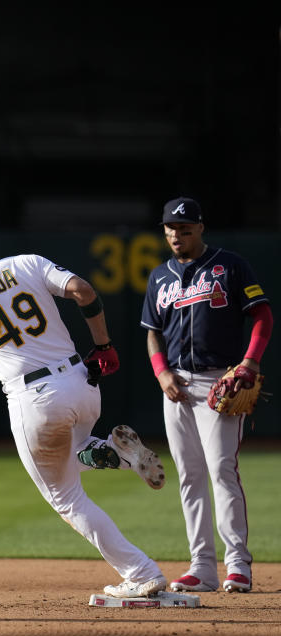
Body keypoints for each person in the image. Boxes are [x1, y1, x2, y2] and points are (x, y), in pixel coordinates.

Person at [0, 232, 168, 598]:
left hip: (36, 398)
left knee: (67, 498)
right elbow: (84, 292)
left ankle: (141, 573)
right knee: (75, 452)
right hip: (82, 381)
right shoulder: (26, 261)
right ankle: (119, 454)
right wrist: (104, 344)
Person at [141, 197, 272, 593]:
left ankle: (238, 565)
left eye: (184, 229)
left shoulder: (229, 265)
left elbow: (262, 315)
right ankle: (202, 567)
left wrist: (249, 362)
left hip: (220, 382)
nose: (177, 236)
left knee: (221, 471)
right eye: (170, 230)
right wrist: (161, 373)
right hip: (176, 386)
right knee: (190, 476)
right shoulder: (159, 277)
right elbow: (152, 332)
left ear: (200, 228)